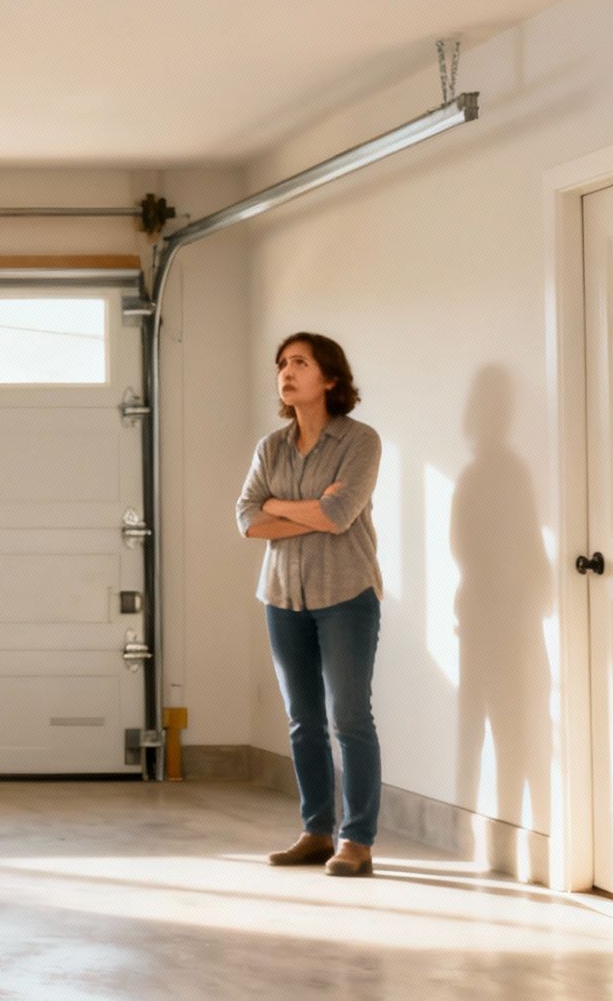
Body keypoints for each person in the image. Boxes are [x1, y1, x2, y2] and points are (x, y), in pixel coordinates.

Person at [237, 332, 384, 877]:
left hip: (346, 594)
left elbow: (339, 516)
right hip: (281, 596)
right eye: (282, 363)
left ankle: (357, 840)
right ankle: (316, 831)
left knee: (350, 718)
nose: (286, 371)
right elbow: (247, 519)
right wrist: (308, 508)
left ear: (330, 377)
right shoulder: (270, 448)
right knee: (303, 721)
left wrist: (279, 506)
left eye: (300, 362)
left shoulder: (360, 441)